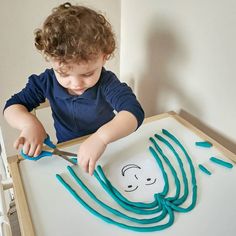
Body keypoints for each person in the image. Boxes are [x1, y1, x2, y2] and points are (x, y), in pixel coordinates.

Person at [3, 2, 144, 175]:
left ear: (104, 57)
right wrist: (29, 124)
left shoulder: (107, 83)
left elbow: (133, 112)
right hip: (68, 151)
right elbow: (12, 106)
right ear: (51, 60)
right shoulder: (46, 81)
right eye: (63, 74)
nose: (76, 84)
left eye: (87, 74)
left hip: (107, 148)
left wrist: (101, 138)